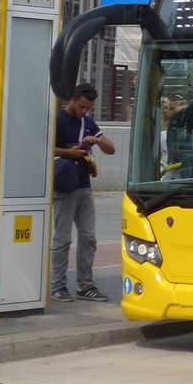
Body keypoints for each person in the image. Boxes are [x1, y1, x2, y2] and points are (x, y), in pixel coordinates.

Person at [52, 83, 115, 302]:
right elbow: (42, 147)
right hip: (65, 186)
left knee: (88, 237)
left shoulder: (87, 122)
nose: (84, 111)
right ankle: (58, 286)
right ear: (72, 99)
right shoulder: (58, 120)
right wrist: (68, 152)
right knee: (62, 239)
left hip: (84, 186)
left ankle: (85, 286)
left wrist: (97, 141)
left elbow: (111, 148)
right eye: (81, 106)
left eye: (88, 108)